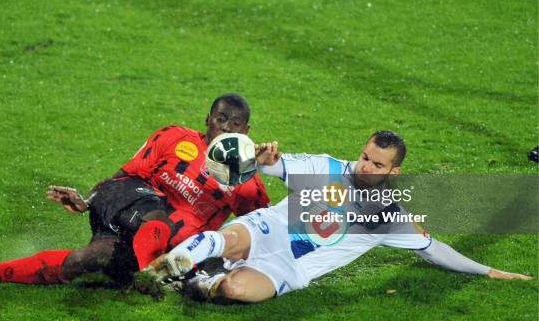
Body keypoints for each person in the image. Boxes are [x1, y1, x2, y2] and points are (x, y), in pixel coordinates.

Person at [150, 130, 533, 303]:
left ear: (393, 171)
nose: (365, 165)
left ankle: (197, 278)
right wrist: (264, 160)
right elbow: (271, 166)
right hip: (269, 231)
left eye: (377, 163)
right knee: (234, 238)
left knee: (238, 290)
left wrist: (486, 271)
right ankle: (174, 266)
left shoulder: (389, 215)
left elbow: (434, 250)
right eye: (365, 156)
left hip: (291, 268)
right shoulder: (326, 167)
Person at [0, 93, 270, 293]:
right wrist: (87, 201)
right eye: (220, 119)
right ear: (207, 120)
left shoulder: (247, 180)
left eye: (235, 124)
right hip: (131, 206)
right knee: (155, 212)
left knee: (84, 260)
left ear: (246, 132)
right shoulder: (173, 138)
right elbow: (124, 177)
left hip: (160, 249)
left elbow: (259, 229)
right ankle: (152, 277)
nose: (226, 129)